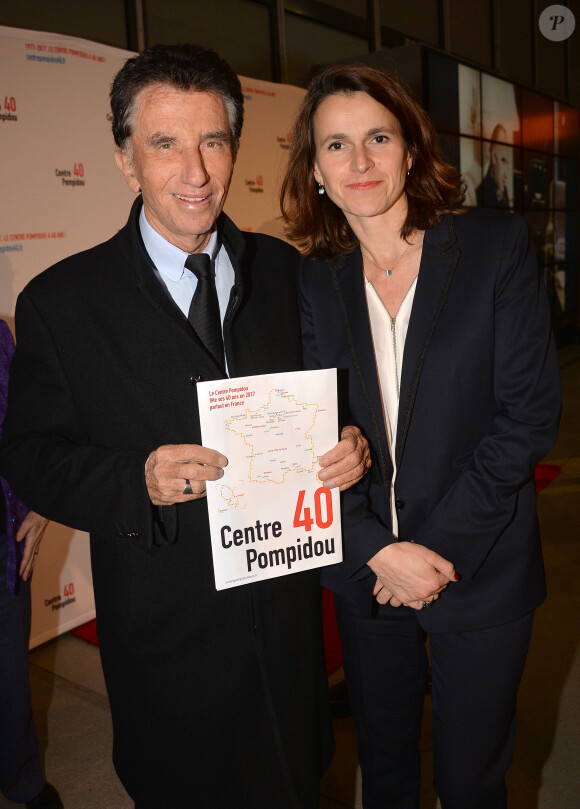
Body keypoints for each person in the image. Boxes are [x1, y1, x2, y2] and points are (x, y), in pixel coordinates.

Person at [0, 45, 371, 809]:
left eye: (213, 141)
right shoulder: (62, 302)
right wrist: (134, 479)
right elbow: (30, 456)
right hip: (167, 641)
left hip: (286, 626)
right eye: (165, 144)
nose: (195, 172)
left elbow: (337, 397)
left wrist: (352, 440)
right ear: (125, 161)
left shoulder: (287, 273)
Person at [280, 63, 561, 809]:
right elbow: (310, 432)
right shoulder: (314, 281)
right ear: (315, 170)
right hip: (367, 567)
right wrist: (377, 547)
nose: (360, 162)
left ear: (411, 147)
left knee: (472, 778)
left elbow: (527, 415)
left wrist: (431, 555)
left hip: (480, 563)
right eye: (335, 146)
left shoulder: (493, 247)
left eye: (377, 137)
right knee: (386, 764)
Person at [0, 321, 62, 809]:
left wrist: (39, 503)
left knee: (7, 670)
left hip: (4, 539)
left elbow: (28, 428)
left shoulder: (0, 336)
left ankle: (21, 777)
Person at [476, 124, 511, 207]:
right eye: (503, 161)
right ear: (493, 157)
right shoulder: (481, 192)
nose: (506, 175)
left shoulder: (504, 190)